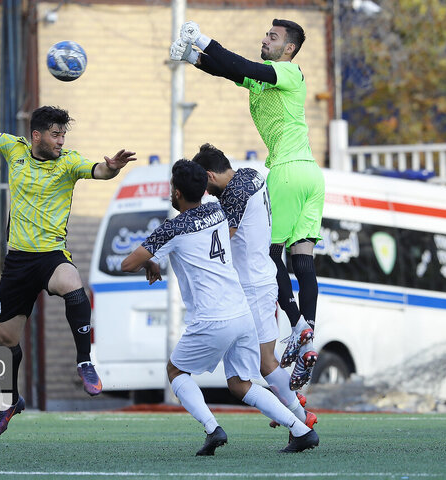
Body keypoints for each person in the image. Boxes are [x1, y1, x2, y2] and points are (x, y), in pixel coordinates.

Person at [0, 62, 136, 438]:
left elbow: (100, 172)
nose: (61, 141)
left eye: (63, 135)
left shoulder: (70, 162)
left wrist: (113, 169)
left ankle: (84, 361)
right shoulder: (15, 150)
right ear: (37, 135)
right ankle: (9, 402)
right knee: (4, 342)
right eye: (55, 135)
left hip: (50, 257)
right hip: (17, 262)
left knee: (73, 283)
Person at [121, 160, 319, 455]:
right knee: (240, 384)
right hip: (241, 313)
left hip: (212, 318)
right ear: (204, 188)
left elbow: (127, 264)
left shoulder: (173, 228)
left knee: (176, 371)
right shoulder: (218, 212)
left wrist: (150, 259)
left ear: (176, 193)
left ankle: (213, 428)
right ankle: (301, 429)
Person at [170, 20, 324, 390]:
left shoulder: (286, 71)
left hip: (286, 171)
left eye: (273, 37)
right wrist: (193, 56)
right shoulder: (267, 79)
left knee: (268, 254)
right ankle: (308, 332)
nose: (264, 39)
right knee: (301, 259)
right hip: (311, 176)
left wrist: (203, 38)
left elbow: (241, 66)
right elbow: (228, 70)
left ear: (289, 49)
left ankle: (299, 328)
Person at [191, 143, 316, 431]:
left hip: (252, 289)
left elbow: (224, 240)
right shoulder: (251, 174)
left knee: (261, 366)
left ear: (210, 175)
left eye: (206, 186)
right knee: (263, 363)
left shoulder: (233, 194)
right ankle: (295, 407)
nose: (207, 192)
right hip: (261, 280)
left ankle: (299, 416)